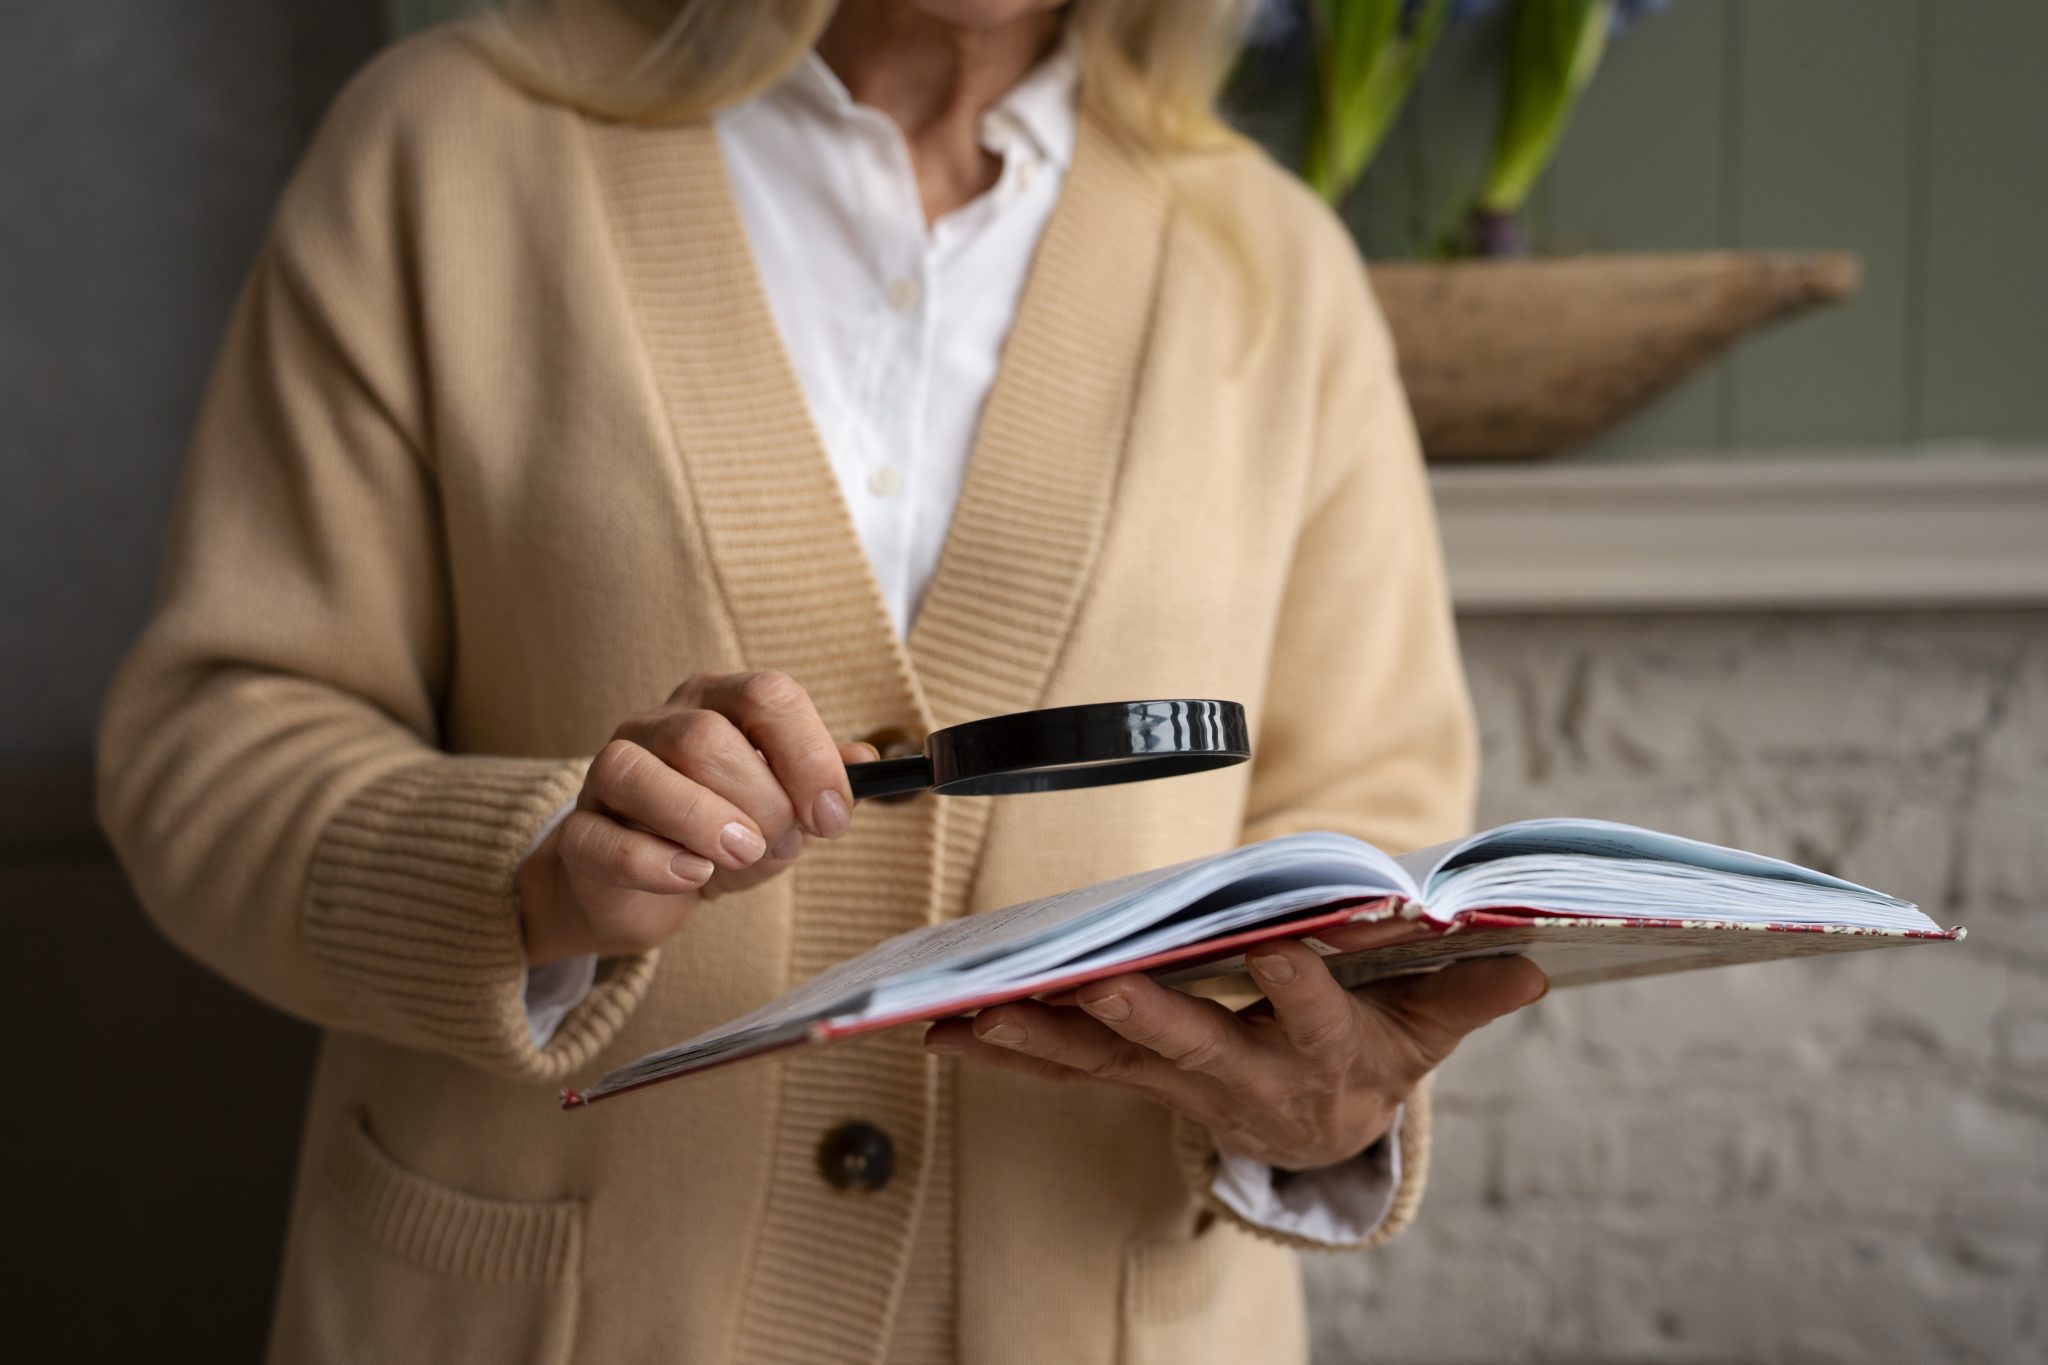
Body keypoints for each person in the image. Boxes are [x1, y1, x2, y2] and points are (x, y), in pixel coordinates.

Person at [95, 0, 1547, 1360]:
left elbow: (1383, 841)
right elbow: (214, 742)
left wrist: (1328, 1097)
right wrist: (530, 878)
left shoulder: (1276, 267)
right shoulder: (448, 153)